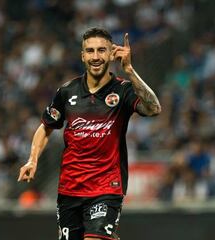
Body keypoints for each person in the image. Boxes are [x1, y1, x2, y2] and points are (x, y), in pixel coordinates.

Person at [18, 27, 161, 240]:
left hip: (107, 187)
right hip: (70, 189)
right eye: (90, 51)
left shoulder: (123, 90)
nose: (96, 56)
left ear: (111, 53)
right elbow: (46, 126)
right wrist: (32, 160)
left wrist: (130, 70)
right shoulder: (67, 92)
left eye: (101, 50)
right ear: (83, 55)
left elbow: (154, 108)